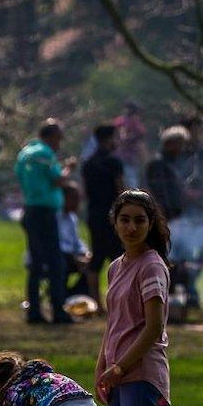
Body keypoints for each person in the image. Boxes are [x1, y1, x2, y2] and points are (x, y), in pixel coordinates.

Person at [96, 190, 170, 406]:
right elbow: (115, 323)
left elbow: (153, 327)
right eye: (125, 219)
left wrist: (120, 366)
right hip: (117, 371)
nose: (131, 227)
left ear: (150, 224)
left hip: (140, 370)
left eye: (139, 220)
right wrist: (102, 366)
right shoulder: (116, 266)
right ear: (114, 222)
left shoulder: (152, 266)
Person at [16, 119, 77, 325]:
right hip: (44, 213)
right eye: (59, 138)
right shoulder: (45, 154)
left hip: (29, 210)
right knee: (55, 262)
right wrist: (68, 168)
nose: (60, 143)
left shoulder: (24, 154)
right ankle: (58, 310)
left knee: (36, 263)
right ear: (51, 136)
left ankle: (34, 311)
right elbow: (58, 180)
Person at [146, 126, 203, 318]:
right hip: (166, 219)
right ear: (170, 144)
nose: (182, 148)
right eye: (180, 144)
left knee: (180, 260)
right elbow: (160, 194)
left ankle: (180, 300)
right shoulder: (157, 165)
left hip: (177, 219)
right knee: (166, 260)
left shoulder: (173, 164)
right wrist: (165, 216)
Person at [80, 124, 128, 305]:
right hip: (113, 215)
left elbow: (85, 192)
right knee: (118, 257)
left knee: (97, 257)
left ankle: (95, 301)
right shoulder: (114, 162)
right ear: (109, 139)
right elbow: (120, 189)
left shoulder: (88, 163)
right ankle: (117, 300)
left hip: (94, 215)